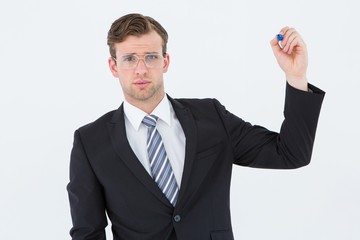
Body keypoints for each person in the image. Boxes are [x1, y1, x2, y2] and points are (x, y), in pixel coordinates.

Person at [67, 13, 325, 240]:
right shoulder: (90, 142)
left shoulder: (211, 117)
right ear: (114, 66)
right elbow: (87, 233)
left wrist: (296, 77)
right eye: (130, 58)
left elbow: (291, 153)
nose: (141, 69)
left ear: (165, 62)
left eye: (151, 57)